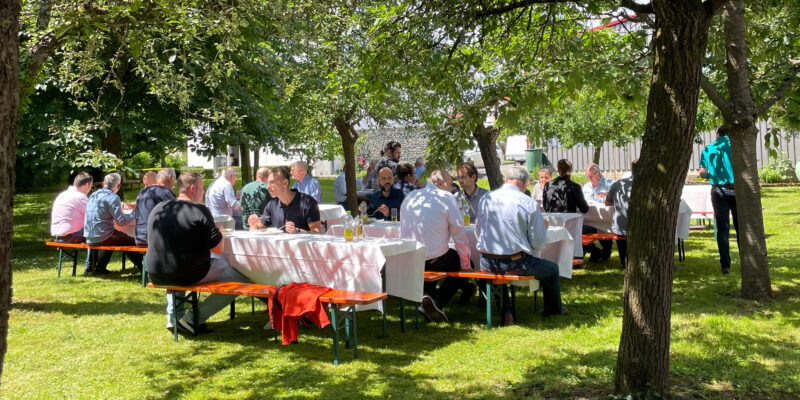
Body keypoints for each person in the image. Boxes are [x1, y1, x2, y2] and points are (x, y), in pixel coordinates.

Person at [146, 171, 252, 334]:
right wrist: (218, 230)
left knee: (180, 264)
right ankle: (192, 319)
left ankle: (173, 318)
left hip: (154, 271)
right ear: (193, 189)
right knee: (240, 277)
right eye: (202, 188)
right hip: (185, 273)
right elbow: (218, 248)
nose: (203, 192)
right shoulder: (199, 210)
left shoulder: (159, 208)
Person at [476, 166, 566, 324]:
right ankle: (553, 309)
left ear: (506, 180)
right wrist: (542, 230)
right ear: (525, 184)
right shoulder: (528, 202)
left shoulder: (486, 198)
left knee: (497, 269)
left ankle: (507, 311)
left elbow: (479, 229)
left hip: (486, 261)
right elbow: (538, 242)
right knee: (552, 270)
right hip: (515, 262)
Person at [400, 170, 473, 323]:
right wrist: (466, 264)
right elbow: (458, 233)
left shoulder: (410, 196)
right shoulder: (445, 198)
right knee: (460, 261)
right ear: (439, 183)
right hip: (434, 260)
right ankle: (437, 302)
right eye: (450, 184)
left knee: (437, 256)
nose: (452, 188)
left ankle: (430, 300)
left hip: (411, 259)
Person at [84, 172, 142, 275]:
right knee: (129, 240)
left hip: (89, 235)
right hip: (103, 236)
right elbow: (121, 221)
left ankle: (94, 268)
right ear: (118, 186)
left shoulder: (93, 195)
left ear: (103, 184)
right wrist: (134, 213)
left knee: (114, 235)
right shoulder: (113, 197)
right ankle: (143, 267)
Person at [699, 126, 738, 274]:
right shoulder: (735, 146)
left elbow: (702, 173)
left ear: (717, 134)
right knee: (740, 226)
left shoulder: (708, 149)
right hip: (736, 189)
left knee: (722, 228)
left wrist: (712, 175)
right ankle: (746, 260)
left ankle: (725, 265)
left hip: (718, 190)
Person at [247, 167, 322, 233]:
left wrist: (297, 231)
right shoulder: (273, 204)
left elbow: (317, 232)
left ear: (285, 183)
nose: (268, 187)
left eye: (272, 182)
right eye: (267, 183)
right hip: (279, 247)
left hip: (301, 247)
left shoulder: (307, 202)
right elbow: (260, 227)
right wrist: (254, 225)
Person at [581, 163, 616, 261]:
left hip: (607, 219)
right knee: (582, 229)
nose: (589, 179)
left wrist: (607, 196)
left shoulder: (611, 184)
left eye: (591, 176)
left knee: (603, 227)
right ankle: (595, 251)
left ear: (598, 173)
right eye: (587, 176)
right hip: (590, 219)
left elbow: (618, 202)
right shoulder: (586, 187)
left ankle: (606, 251)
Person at [133, 168, 176, 247]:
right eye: (174, 179)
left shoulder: (142, 192)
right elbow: (178, 215)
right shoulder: (165, 193)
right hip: (154, 240)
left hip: (139, 239)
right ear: (170, 178)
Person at [606, 161, 636, 268]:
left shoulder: (618, 184)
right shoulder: (649, 185)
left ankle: (624, 261)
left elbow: (608, 202)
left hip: (620, 226)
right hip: (641, 226)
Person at [51, 172, 93, 244]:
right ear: (86, 185)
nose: (90, 189)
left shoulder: (62, 195)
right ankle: (96, 256)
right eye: (91, 186)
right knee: (103, 231)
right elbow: (95, 216)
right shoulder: (80, 197)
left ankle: (94, 255)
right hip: (72, 236)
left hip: (58, 236)